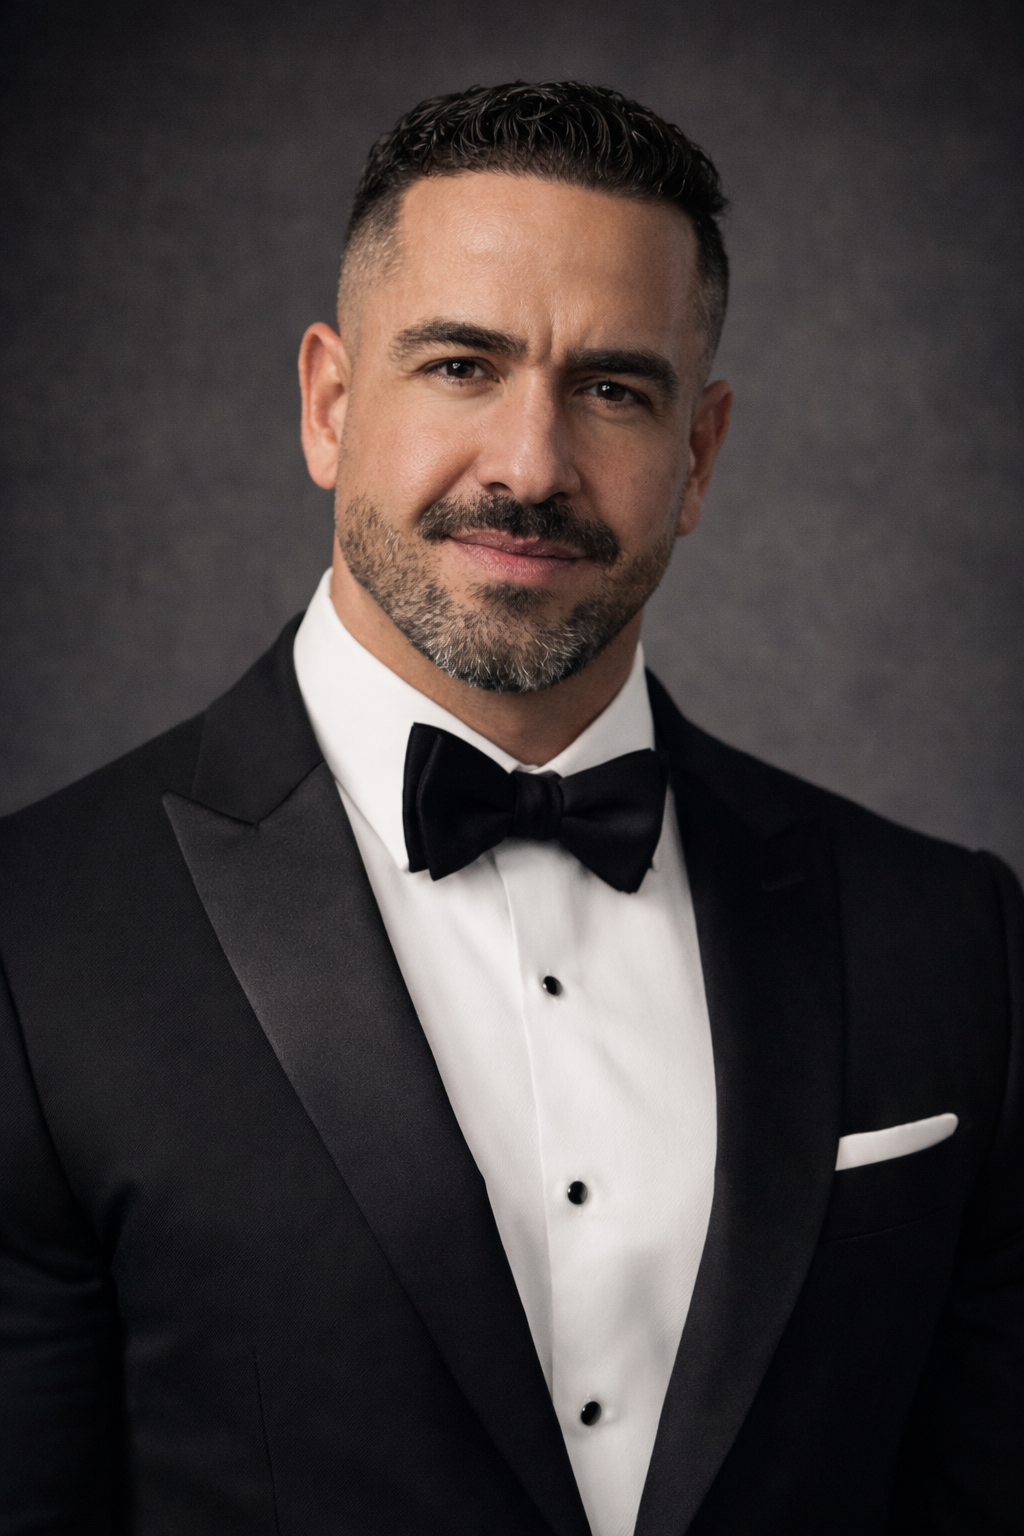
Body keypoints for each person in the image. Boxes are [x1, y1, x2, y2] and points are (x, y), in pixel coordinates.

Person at [0, 80, 1020, 1536]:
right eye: (463, 365)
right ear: (330, 405)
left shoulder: (953, 938)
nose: (532, 468)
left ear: (701, 457)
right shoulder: (33, 941)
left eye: (613, 387)